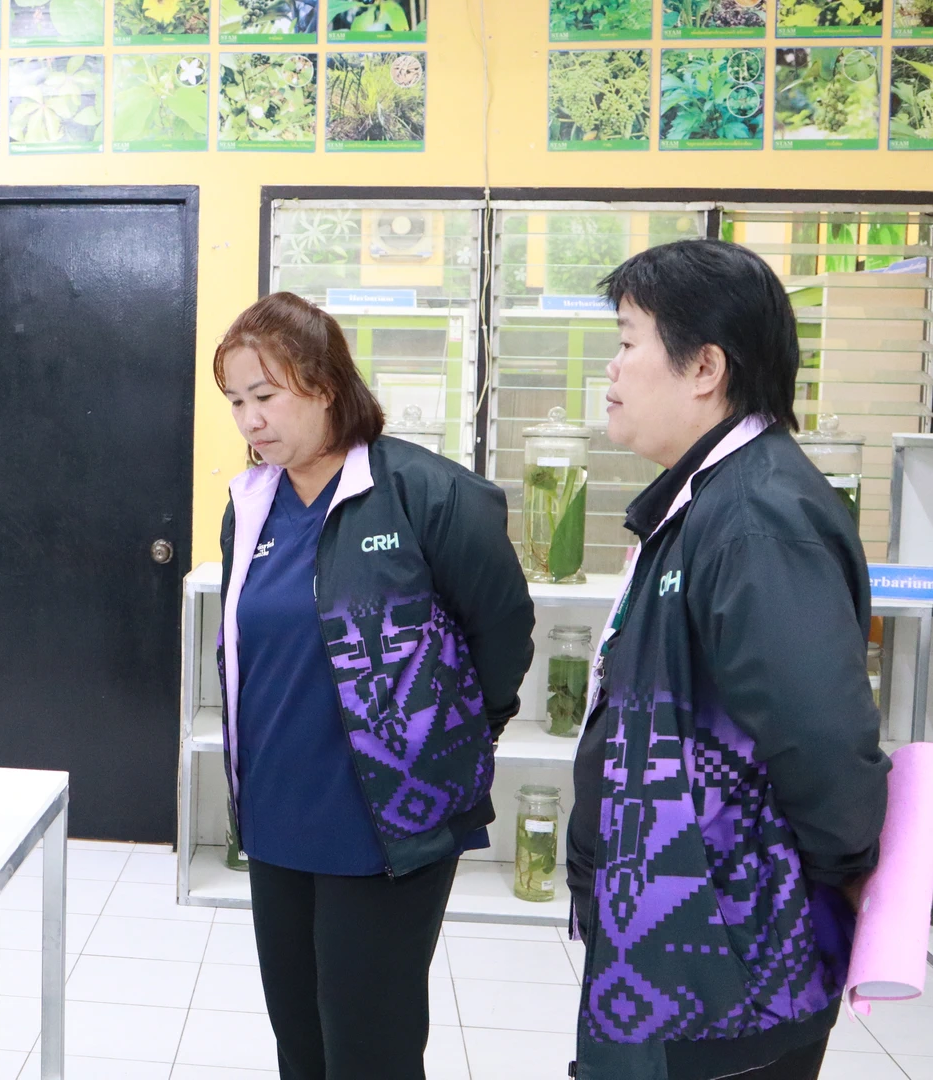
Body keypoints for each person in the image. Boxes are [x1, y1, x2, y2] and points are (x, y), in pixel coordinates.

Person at [567, 239, 890, 1080]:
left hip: (731, 954)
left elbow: (821, 736)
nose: (611, 369)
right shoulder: (709, 498)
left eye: (628, 341)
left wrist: (831, 882)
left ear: (705, 367)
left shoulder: (755, 517)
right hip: (684, 937)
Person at [213, 292, 535, 1080]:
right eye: (236, 402)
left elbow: (502, 630)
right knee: (301, 1043)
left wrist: (455, 735)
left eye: (266, 396)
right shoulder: (250, 507)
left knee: (370, 1049)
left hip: (386, 823)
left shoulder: (426, 493)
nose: (251, 420)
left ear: (325, 385)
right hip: (279, 818)